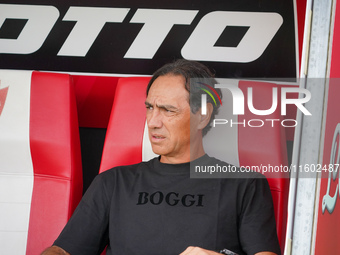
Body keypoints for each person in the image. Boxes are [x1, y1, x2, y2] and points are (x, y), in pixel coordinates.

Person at [41, 59, 281, 255]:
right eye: (149, 108)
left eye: (168, 110)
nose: (153, 122)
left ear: (203, 117)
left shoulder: (244, 184)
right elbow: (64, 251)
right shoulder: (113, 182)